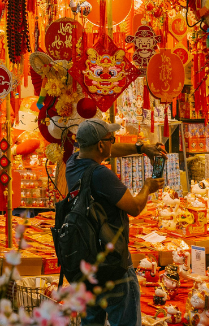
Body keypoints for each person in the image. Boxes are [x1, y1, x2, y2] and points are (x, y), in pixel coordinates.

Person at [65, 118, 166, 326]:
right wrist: (148, 186)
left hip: (87, 262)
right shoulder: (102, 175)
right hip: (113, 265)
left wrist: (140, 148)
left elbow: (110, 150)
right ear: (101, 145)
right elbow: (135, 207)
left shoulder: (73, 163)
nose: (114, 142)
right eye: (111, 138)